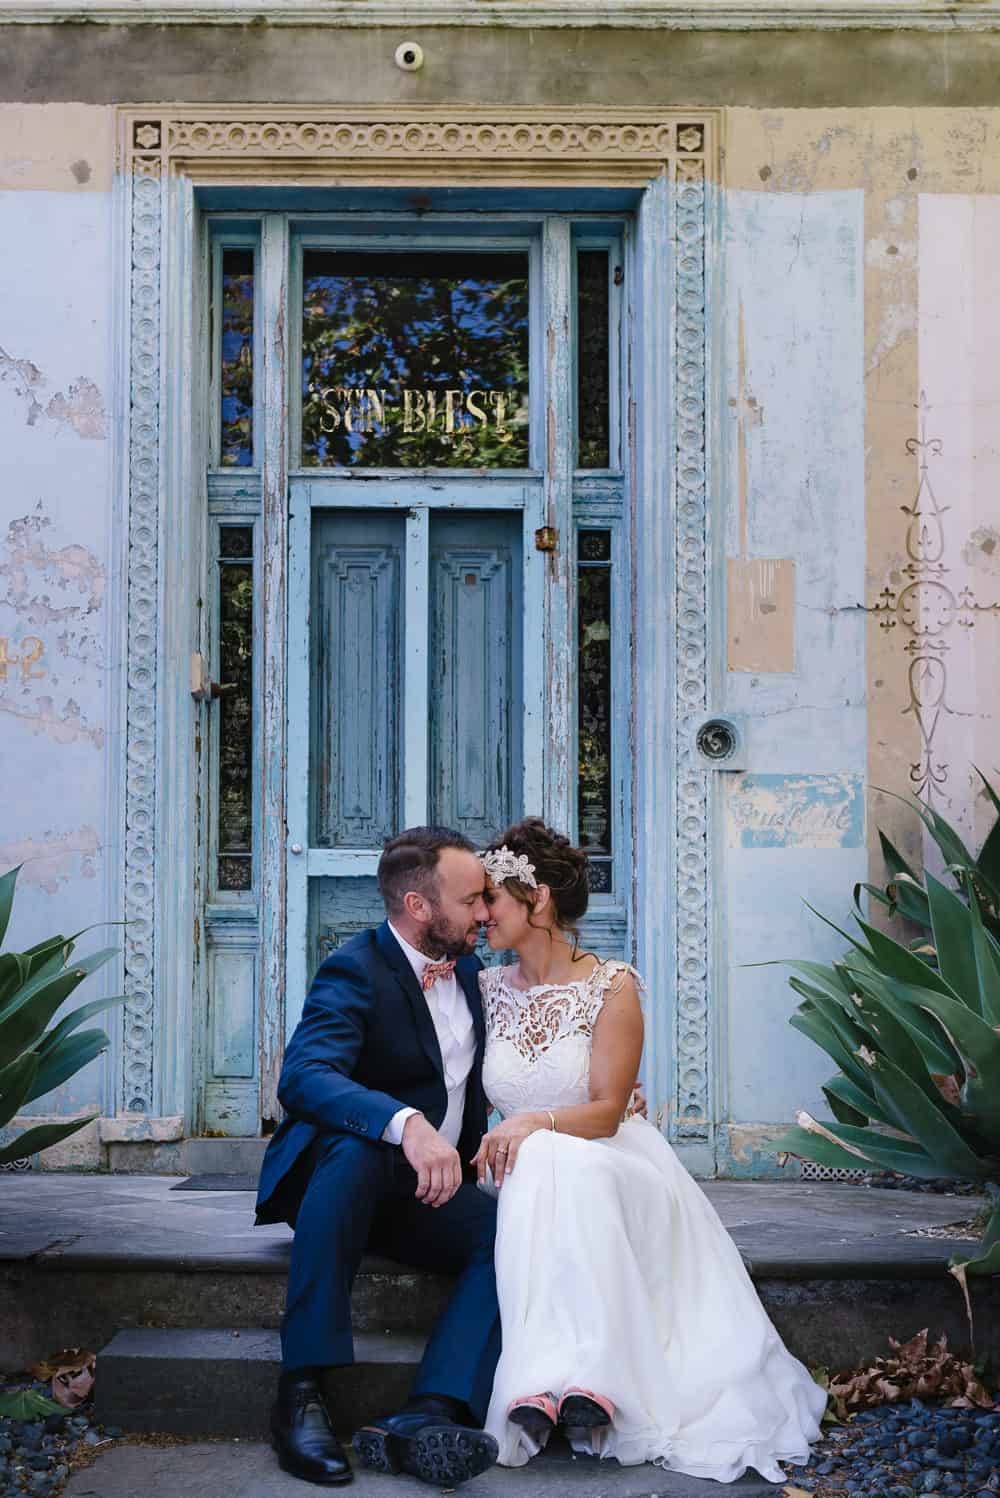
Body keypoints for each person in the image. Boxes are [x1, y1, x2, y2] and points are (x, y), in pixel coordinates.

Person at [473, 817, 827, 1482]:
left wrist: (533, 1123)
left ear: (537, 899)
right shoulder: (483, 989)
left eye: (491, 897)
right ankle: (570, 1383)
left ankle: (564, 1384)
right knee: (544, 1162)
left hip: (610, 1159)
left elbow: (608, 1111)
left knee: (552, 1157)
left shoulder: (611, 986)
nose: (480, 913)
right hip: (523, 1172)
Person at [255, 826, 502, 1488]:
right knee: (356, 1149)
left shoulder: (474, 971)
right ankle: (301, 1391)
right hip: (344, 1179)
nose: (486, 911)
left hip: (427, 1193)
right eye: (472, 899)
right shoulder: (355, 968)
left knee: (513, 1233)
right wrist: (405, 1123)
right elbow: (303, 1076)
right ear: (421, 907)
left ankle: (429, 1412)